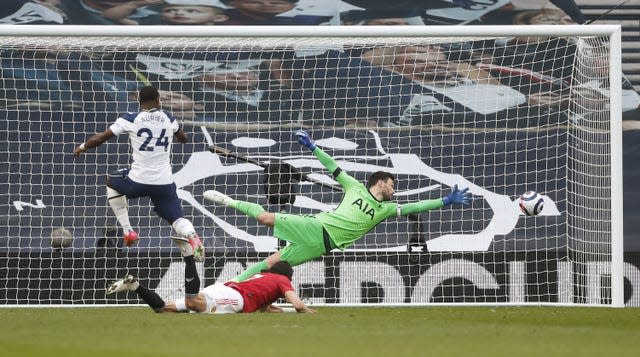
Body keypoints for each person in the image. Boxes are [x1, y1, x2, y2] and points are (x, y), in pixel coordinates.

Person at [203, 130, 473, 282]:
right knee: (264, 218)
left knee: (271, 263)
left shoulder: (386, 209)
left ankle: (229, 286)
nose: (394, 188)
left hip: (323, 245)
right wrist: (313, 147)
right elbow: (333, 167)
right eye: (391, 184)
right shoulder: (353, 186)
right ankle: (228, 200)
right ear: (380, 182)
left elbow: (414, 208)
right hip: (316, 226)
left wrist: (445, 201)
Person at [72, 85, 205, 261]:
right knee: (176, 218)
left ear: (139, 101)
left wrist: (82, 147)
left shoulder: (131, 118)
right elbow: (184, 138)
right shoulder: (169, 118)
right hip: (164, 184)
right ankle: (193, 236)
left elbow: (100, 138)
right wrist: (173, 133)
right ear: (158, 100)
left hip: (137, 182)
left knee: (111, 180)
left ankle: (128, 231)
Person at [107, 255, 316, 314]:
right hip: (234, 298)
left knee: (163, 309)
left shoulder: (263, 278)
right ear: (287, 277)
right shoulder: (282, 281)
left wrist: (281, 311)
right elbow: (297, 304)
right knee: (192, 303)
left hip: (222, 288)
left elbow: (265, 307)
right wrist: (305, 309)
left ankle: (135, 286)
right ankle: (188, 256)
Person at [102, 1, 228, 25]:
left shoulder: (228, 33)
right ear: (162, 14)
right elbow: (109, 15)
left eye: (192, 11)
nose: (179, 13)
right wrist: (135, 4)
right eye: (170, 10)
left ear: (219, 18)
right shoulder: (155, 22)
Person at [219, 0, 334, 26]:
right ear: (232, 3)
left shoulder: (313, 16)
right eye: (253, 1)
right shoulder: (218, 19)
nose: (266, 5)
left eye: (276, 2)